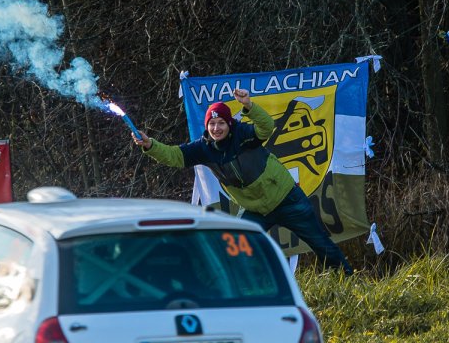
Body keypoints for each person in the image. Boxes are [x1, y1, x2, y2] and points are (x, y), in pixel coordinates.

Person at [132, 88, 354, 274]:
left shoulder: (244, 134)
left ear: (230, 124)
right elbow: (174, 156)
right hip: (255, 210)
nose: (216, 128)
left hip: (287, 199)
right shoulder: (203, 148)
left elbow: (267, 127)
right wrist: (150, 145)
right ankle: (245, 288)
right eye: (212, 123)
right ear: (207, 126)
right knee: (237, 247)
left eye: (221, 123)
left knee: (321, 244)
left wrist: (249, 105)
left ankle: (347, 277)